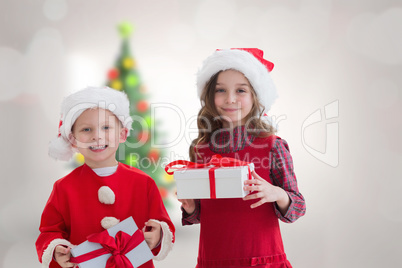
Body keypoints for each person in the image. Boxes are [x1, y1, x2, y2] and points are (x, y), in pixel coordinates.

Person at [179, 48, 306, 268]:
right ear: (210, 96)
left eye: (240, 90)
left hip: (262, 260)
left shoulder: (272, 146)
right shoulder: (202, 150)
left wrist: (276, 193)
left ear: (255, 96)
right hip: (213, 260)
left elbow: (298, 207)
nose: (230, 99)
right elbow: (201, 215)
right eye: (220, 90)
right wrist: (191, 208)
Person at [35, 86, 175, 268]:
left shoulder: (143, 183)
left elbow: (162, 223)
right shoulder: (64, 188)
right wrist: (56, 250)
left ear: (123, 134)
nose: (97, 136)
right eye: (86, 130)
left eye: (106, 127)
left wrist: (158, 235)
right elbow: (49, 231)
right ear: (73, 140)